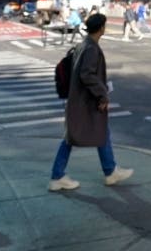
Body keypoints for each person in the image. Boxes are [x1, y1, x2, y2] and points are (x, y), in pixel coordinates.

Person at [48, 13, 133, 191]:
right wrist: (102, 94)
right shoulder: (92, 48)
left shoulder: (84, 44)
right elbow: (87, 75)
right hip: (85, 101)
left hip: (80, 99)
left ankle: (109, 171)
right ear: (101, 28)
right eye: (105, 25)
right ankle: (58, 176)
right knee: (74, 137)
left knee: (97, 133)